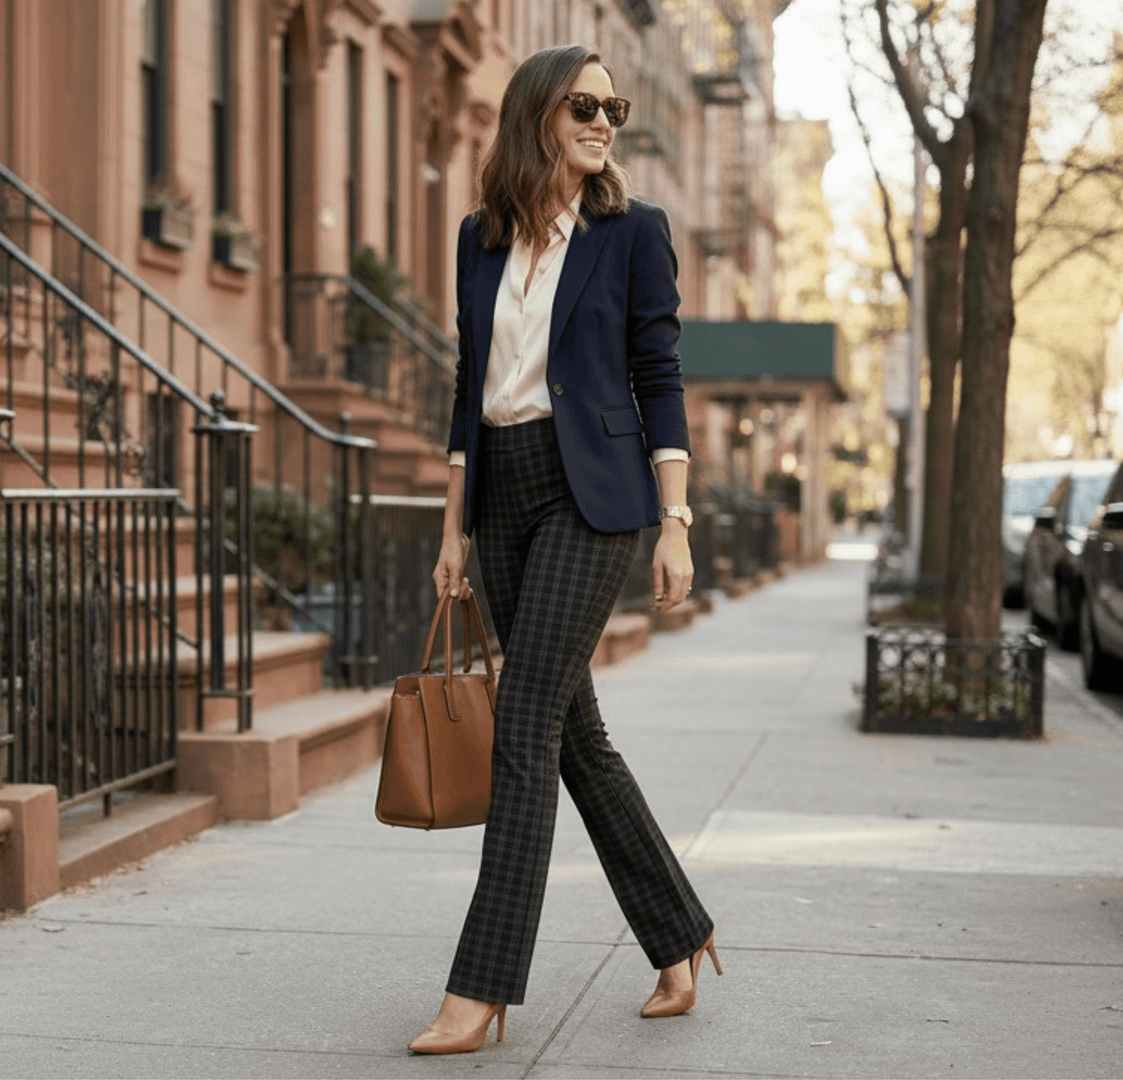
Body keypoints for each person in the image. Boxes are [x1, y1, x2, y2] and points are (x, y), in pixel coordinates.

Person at [410, 44, 719, 1056]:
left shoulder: (633, 234)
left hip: (597, 497)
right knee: (577, 738)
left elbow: (659, 377)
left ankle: (481, 985)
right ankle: (679, 935)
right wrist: (454, 529)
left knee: (528, 719)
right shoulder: (479, 238)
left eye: (614, 107)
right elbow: (467, 393)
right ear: (538, 113)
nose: (604, 121)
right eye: (585, 104)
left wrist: (675, 521)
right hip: (501, 490)